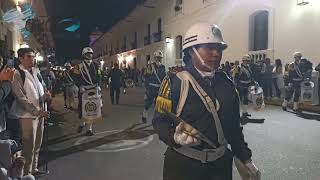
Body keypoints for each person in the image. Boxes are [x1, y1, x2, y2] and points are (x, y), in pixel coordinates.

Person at [152, 22, 260, 180]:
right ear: (191, 51)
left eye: (219, 48)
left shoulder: (227, 83)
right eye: (209, 47)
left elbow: (234, 129)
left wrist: (245, 158)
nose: (216, 53)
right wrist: (173, 137)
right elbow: (159, 121)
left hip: (220, 168)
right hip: (183, 168)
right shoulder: (174, 81)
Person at [11, 48, 51, 175]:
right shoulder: (17, 73)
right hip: (27, 116)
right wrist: (37, 111)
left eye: (33, 56)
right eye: (29, 56)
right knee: (29, 146)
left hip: (40, 114)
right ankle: (26, 173)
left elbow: (42, 87)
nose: (32, 59)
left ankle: (34, 168)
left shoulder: (36, 71)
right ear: (21, 58)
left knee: (38, 144)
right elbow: (21, 98)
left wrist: (46, 94)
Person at [73, 47, 101, 136]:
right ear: (84, 55)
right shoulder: (78, 66)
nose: (90, 55)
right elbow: (75, 77)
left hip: (93, 89)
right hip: (83, 90)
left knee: (91, 109)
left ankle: (89, 129)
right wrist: (80, 86)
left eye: (91, 53)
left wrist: (98, 85)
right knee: (83, 109)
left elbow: (99, 75)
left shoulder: (96, 65)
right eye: (88, 54)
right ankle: (82, 124)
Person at [141, 50, 166, 123]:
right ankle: (144, 115)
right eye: (157, 57)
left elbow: (163, 77)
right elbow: (145, 76)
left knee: (158, 104)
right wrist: (147, 87)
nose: (159, 59)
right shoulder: (150, 66)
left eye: (160, 57)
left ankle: (156, 118)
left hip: (159, 88)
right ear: (155, 58)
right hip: (151, 88)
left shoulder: (163, 67)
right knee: (148, 103)